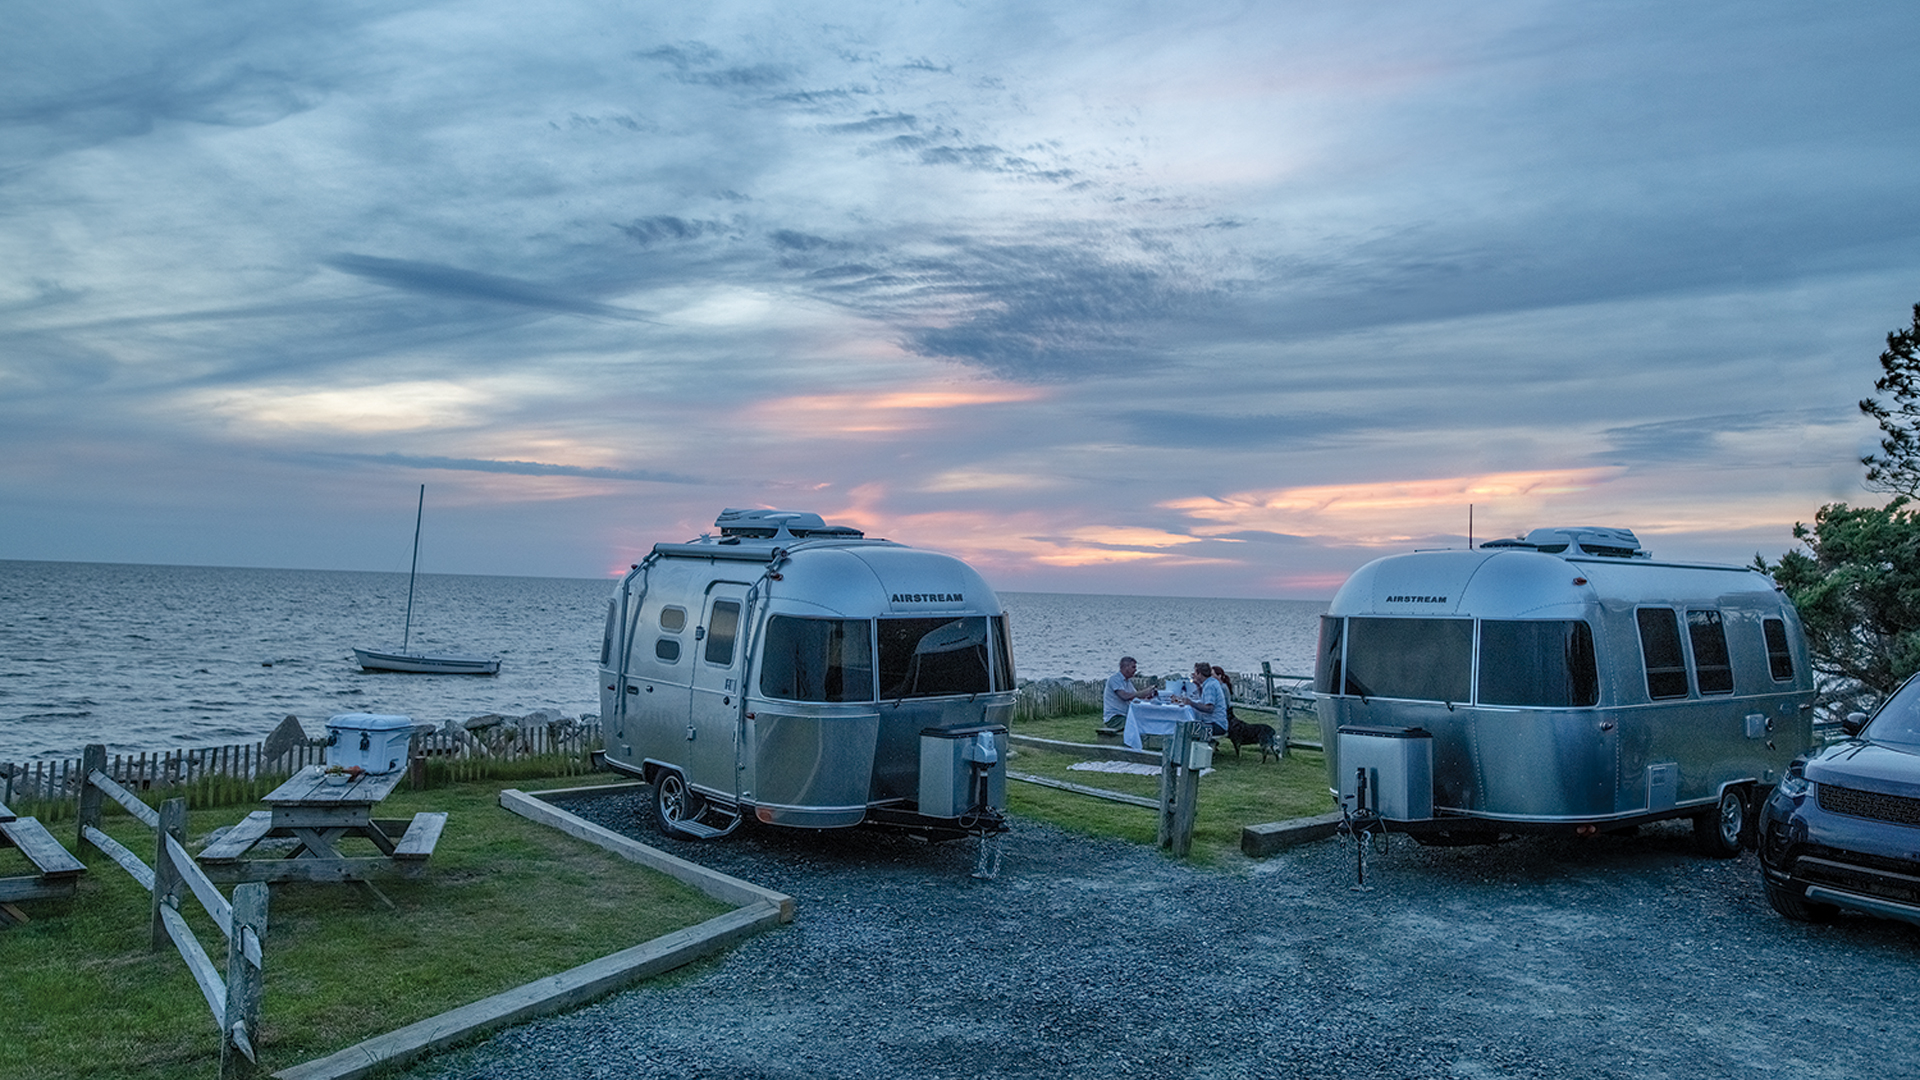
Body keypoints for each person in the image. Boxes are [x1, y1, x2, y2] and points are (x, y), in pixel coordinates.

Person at [1176, 661, 1230, 734]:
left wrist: (1191, 703)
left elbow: (1209, 708)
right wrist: (1198, 686)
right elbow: (1205, 700)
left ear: (1200, 674)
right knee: (1188, 728)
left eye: (1195, 673)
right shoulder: (1211, 682)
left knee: (1187, 731)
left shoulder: (1210, 686)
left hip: (1215, 724)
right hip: (1217, 723)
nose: (1194, 675)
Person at [1102, 656, 1149, 732]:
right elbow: (1124, 696)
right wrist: (1143, 692)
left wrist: (1148, 696)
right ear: (1126, 667)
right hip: (1114, 718)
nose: (1135, 670)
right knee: (1136, 725)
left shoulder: (1127, 682)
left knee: (1143, 721)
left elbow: (1135, 697)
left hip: (1125, 716)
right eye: (1133, 667)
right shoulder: (1115, 679)